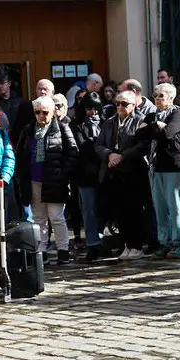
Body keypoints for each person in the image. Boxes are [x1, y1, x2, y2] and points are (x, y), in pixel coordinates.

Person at [15, 95, 76, 265]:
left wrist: (63, 173)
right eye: (38, 112)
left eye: (45, 112)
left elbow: (73, 152)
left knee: (56, 217)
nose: (41, 115)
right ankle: (41, 250)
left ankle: (63, 249)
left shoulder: (62, 128)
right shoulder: (28, 130)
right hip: (34, 180)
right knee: (39, 217)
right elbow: (20, 155)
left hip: (55, 181)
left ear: (52, 113)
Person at [97, 89, 149, 261]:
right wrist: (109, 155)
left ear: (133, 105)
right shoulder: (109, 122)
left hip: (133, 172)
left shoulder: (140, 121)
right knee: (119, 212)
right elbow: (99, 145)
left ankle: (137, 245)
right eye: (117, 103)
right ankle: (126, 244)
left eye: (124, 104)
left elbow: (142, 145)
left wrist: (122, 156)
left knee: (134, 211)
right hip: (113, 174)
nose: (120, 107)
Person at [140, 83, 180, 258]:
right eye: (155, 95)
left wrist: (155, 128)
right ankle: (164, 242)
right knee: (160, 207)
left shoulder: (176, 114)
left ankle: (178, 242)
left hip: (173, 166)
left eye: (161, 96)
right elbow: (140, 134)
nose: (157, 99)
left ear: (171, 98)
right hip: (155, 166)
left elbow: (167, 134)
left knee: (175, 206)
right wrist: (156, 126)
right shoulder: (152, 115)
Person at [70, 92, 105, 260]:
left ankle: (103, 239)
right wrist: (96, 144)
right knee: (89, 209)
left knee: (104, 209)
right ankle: (92, 243)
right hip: (85, 173)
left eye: (96, 108)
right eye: (90, 108)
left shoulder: (106, 123)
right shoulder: (76, 125)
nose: (93, 112)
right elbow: (81, 147)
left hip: (105, 172)